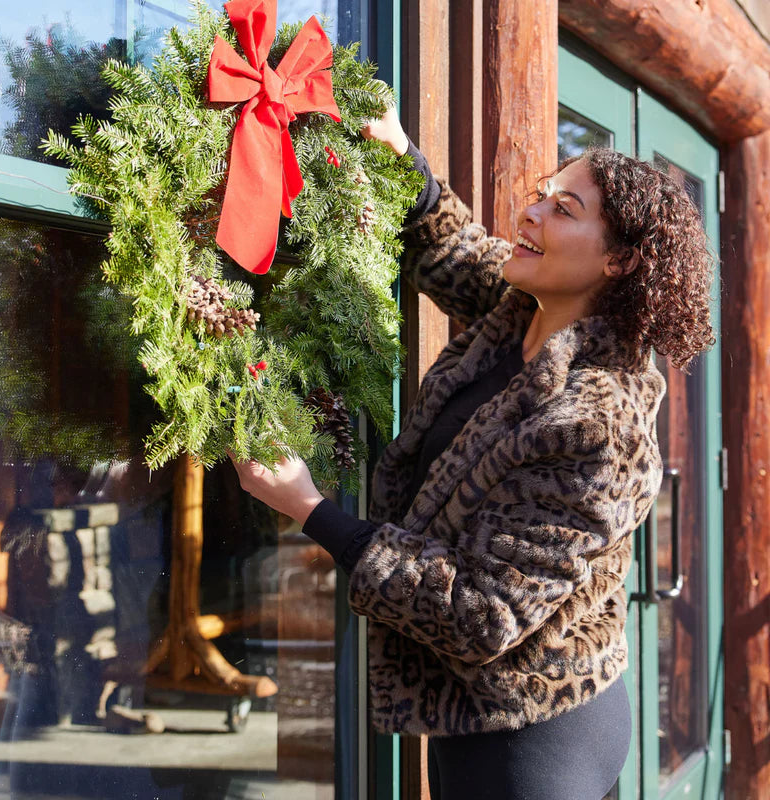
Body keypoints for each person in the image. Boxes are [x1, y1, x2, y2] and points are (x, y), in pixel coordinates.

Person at [230, 108, 716, 800]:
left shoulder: (599, 424)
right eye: (543, 192)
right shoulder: (531, 309)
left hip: (530, 740)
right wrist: (404, 157)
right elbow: (455, 250)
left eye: (563, 209)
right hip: (484, 716)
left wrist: (311, 511)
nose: (533, 211)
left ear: (618, 261)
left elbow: (481, 612)